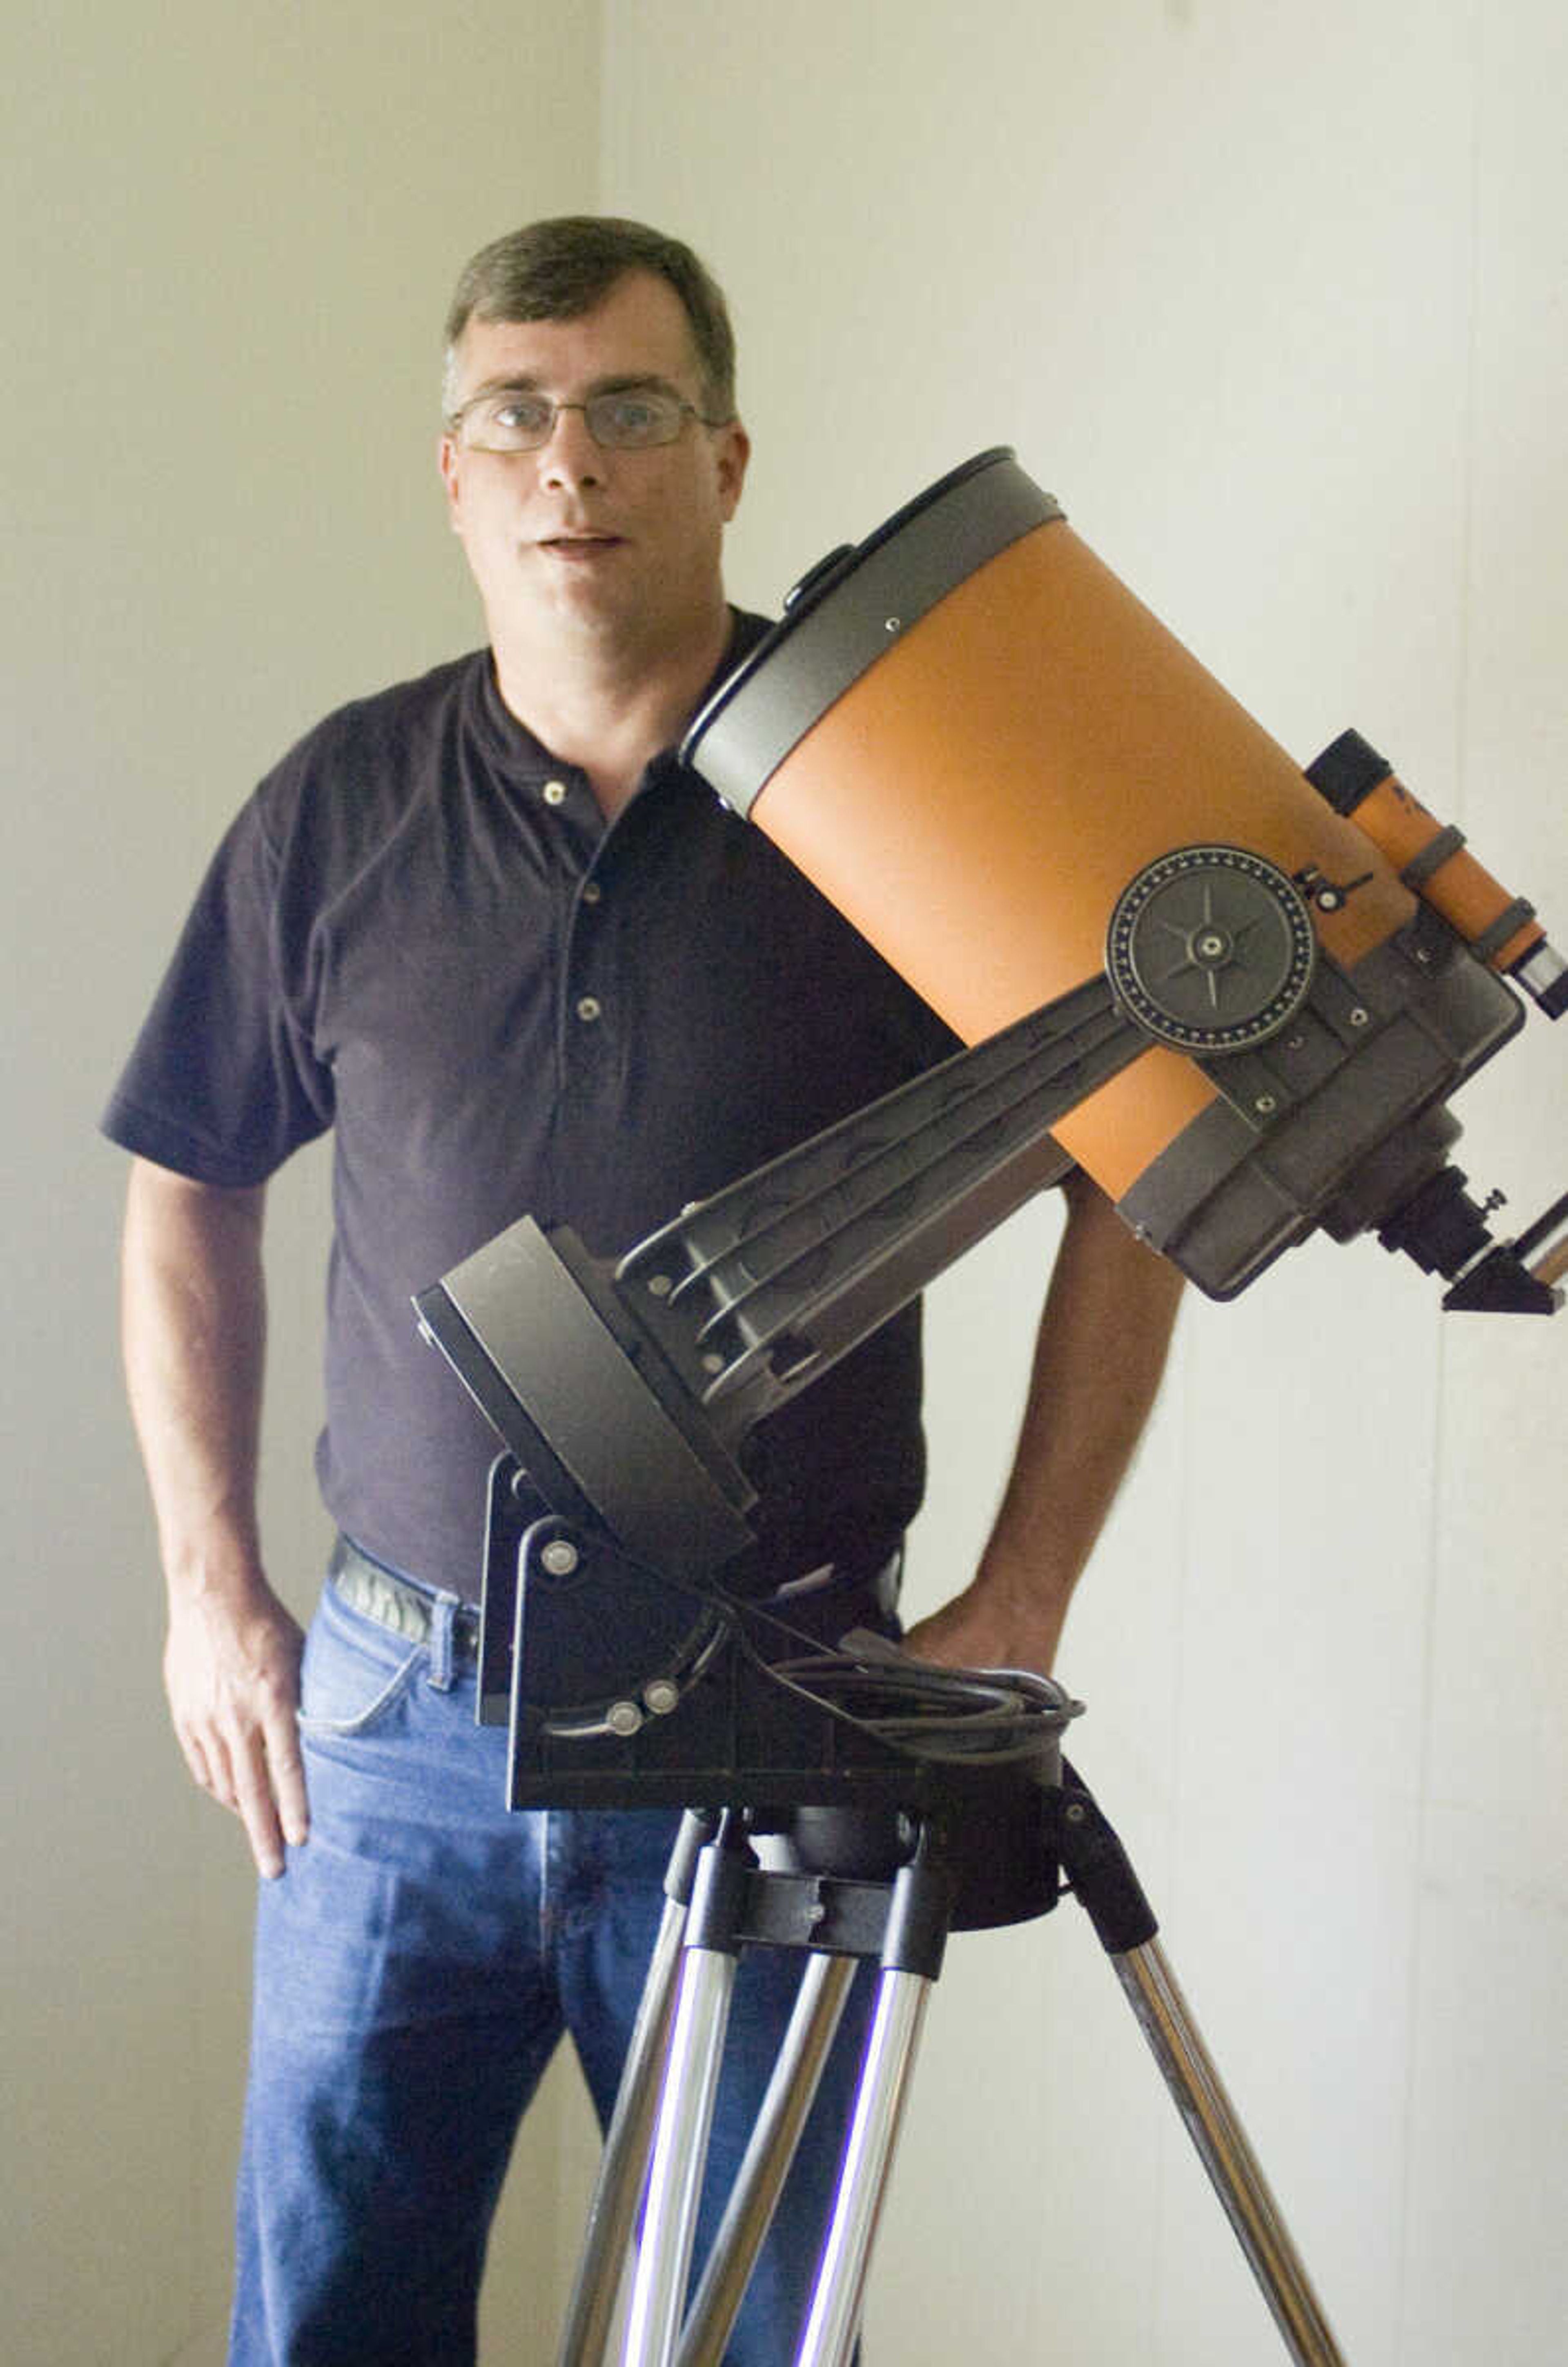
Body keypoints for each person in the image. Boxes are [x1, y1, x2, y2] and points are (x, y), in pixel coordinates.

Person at [106, 216, 1183, 2365]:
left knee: (755, 2324)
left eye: (629, 408)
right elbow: (185, 1182)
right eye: (514, 411)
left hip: (770, 1708)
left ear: (728, 456)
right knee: (327, 2310)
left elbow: (1138, 1164)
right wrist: (208, 1582)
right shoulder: (340, 806)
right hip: (394, 1731)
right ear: (454, 473)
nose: (567, 460)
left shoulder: (901, 806)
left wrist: (1028, 1585)